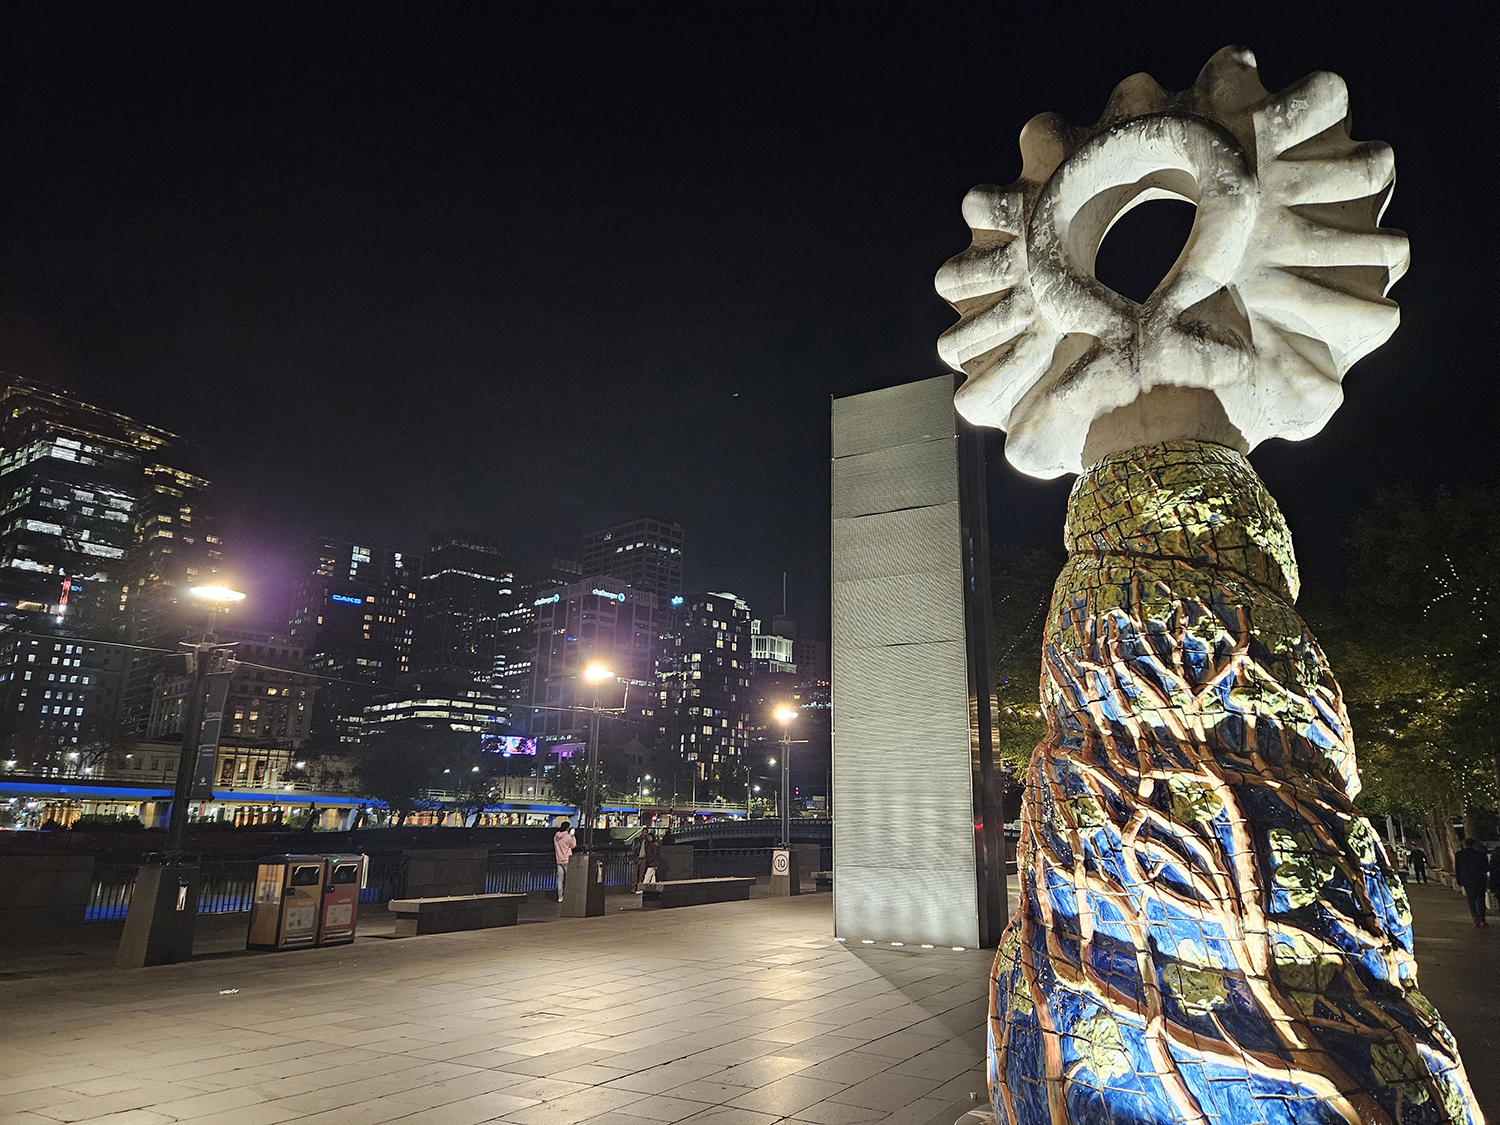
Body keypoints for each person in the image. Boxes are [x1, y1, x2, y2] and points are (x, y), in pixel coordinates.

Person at [1454, 838, 1488, 927]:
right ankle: (1482, 920)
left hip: (1467, 880)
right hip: (1479, 880)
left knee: (1471, 900)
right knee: (1481, 899)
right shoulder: (1480, 855)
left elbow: (1458, 869)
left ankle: (1475, 919)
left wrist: (1459, 880)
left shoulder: (1459, 855)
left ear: (1464, 844)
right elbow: (1486, 868)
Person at [554, 820, 577, 903]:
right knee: (569, 879)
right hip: (567, 860)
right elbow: (573, 845)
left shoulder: (556, 836)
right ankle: (569, 895)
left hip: (558, 860)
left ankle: (560, 896)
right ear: (567, 828)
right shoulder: (568, 836)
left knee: (560, 879)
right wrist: (573, 836)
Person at [633, 828, 660, 893]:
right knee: (652, 877)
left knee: (647, 876)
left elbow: (652, 854)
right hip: (651, 862)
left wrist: (649, 861)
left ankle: (642, 888)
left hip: (651, 862)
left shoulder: (651, 844)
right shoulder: (650, 843)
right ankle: (654, 888)